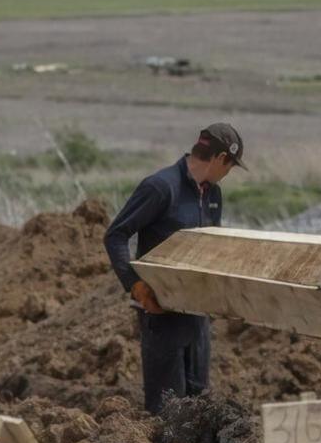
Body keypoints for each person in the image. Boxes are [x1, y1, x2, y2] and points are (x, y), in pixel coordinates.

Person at [104, 123, 245, 414]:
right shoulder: (160, 188)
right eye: (229, 166)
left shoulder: (214, 195)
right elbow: (116, 235)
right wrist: (136, 285)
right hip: (162, 316)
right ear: (219, 159)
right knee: (167, 411)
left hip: (197, 316)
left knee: (198, 408)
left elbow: (211, 248)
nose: (228, 174)